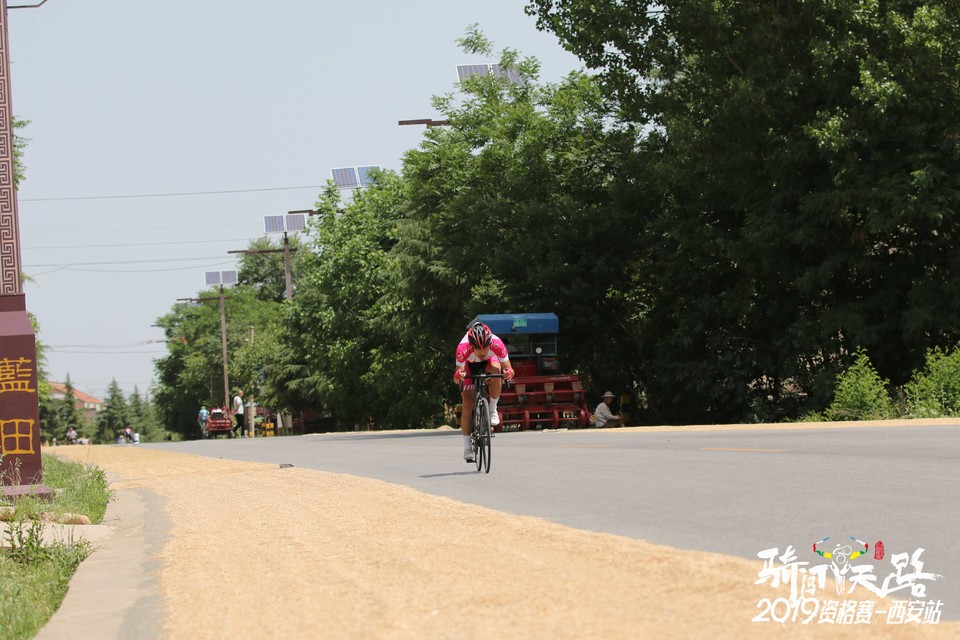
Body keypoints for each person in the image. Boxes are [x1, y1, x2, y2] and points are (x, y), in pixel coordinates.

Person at [454, 321, 515, 462]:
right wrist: (459, 376)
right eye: (478, 349)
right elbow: (457, 379)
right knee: (467, 404)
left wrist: (508, 374)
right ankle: (467, 447)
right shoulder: (462, 348)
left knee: (497, 370)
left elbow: (509, 369)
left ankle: (493, 409)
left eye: (485, 348)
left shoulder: (497, 344)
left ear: (490, 343)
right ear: (471, 345)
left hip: (489, 363)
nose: (481, 352)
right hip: (469, 366)